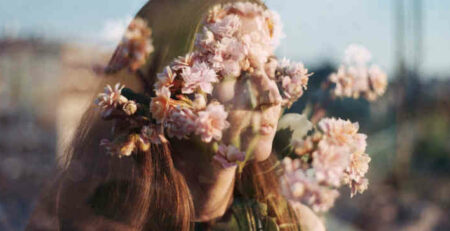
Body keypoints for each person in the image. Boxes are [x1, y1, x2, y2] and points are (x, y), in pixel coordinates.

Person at [26, 0, 325, 230]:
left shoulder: (297, 226)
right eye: (238, 72)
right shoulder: (81, 219)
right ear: (168, 87)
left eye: (272, 68)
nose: (271, 95)